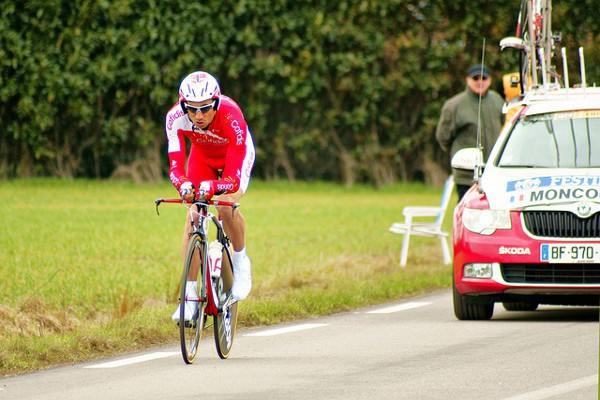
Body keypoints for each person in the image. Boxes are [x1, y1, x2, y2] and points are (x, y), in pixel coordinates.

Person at [165, 71, 256, 321]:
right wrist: (183, 185)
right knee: (194, 216)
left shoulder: (231, 115)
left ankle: (240, 263)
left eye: (205, 108)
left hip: (233, 158)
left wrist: (213, 187)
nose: (198, 115)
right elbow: (175, 168)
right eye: (191, 109)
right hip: (203, 156)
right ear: (183, 105)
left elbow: (233, 179)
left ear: (215, 103)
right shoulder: (174, 118)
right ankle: (190, 297)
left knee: (226, 207)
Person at [435, 65, 504, 201]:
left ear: (489, 81)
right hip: (467, 176)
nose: (480, 82)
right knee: (467, 213)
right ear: (468, 80)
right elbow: (443, 138)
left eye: (483, 78)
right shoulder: (454, 105)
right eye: (475, 78)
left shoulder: (497, 101)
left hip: (494, 173)